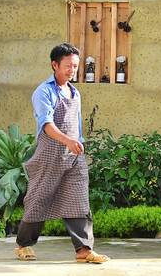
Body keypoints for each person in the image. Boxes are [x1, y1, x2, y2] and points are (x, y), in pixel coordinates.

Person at [14, 43, 109, 264]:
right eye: (68, 65)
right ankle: (23, 244)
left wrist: (77, 143)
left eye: (75, 66)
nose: (72, 70)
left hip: (74, 156)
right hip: (49, 155)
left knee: (79, 200)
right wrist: (67, 141)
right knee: (39, 199)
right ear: (55, 65)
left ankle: (84, 249)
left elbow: (75, 126)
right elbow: (46, 123)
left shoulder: (75, 92)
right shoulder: (43, 91)